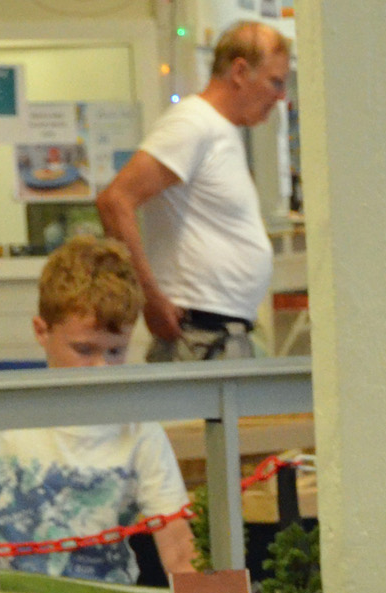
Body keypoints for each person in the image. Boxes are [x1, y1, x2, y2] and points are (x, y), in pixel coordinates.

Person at [0, 237, 195, 584]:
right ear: (41, 331)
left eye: (116, 352)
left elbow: (181, 556)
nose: (101, 368)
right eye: (84, 350)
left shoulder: (140, 432)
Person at [96, 20, 290, 361]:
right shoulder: (192, 123)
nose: (280, 96)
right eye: (275, 81)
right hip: (198, 333)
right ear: (240, 72)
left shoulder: (221, 130)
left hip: (222, 330)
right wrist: (149, 299)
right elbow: (115, 201)